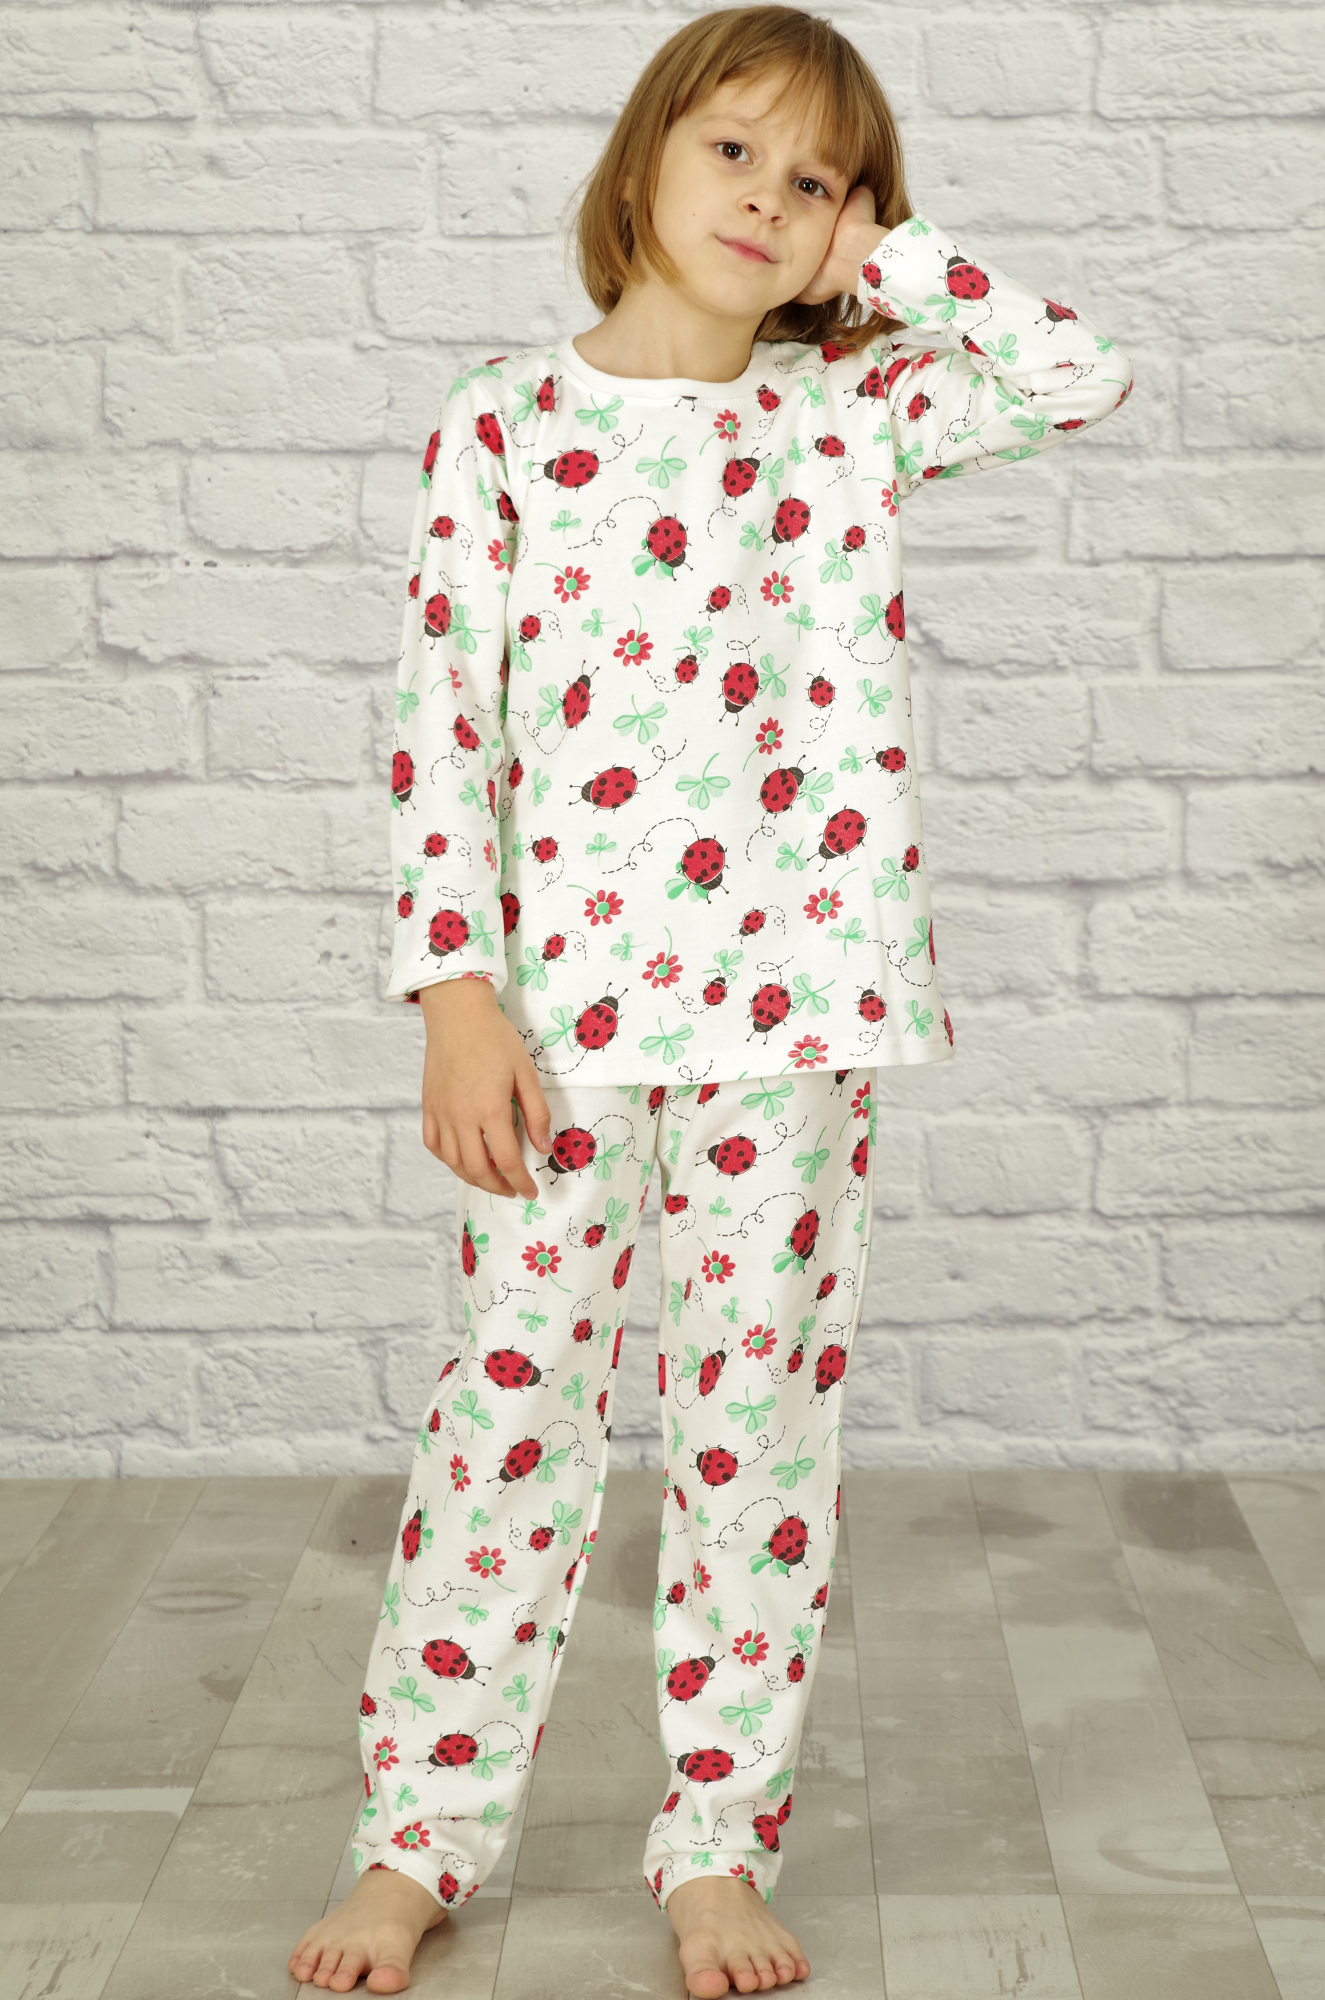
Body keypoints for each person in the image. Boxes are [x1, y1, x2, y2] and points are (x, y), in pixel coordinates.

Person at [289, 4, 1134, 1991]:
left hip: (795, 1011)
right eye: (735, 151)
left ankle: (715, 1845)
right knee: (512, 1417)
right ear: (645, 157)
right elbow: (442, 724)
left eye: (816, 179)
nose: (768, 199)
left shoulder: (853, 409)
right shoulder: (505, 420)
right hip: (560, 1025)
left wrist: (889, 265)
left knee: (755, 1434)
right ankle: (417, 1834)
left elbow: (1077, 373)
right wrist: (453, 995)